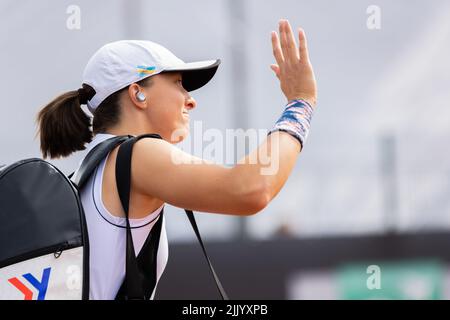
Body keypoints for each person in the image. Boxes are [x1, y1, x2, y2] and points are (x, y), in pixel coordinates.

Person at [35, 19, 317, 299]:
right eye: (178, 83)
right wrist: (301, 104)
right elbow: (251, 190)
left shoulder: (95, 167)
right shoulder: (137, 154)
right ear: (138, 93)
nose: (191, 100)